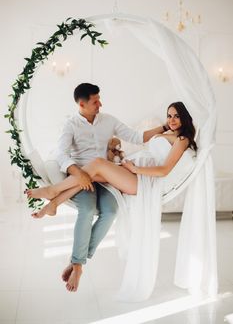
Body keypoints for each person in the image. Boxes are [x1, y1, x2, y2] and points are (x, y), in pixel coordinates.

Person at [27, 97, 197, 292]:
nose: (172, 119)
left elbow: (164, 170)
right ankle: (55, 204)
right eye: (169, 115)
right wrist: (128, 159)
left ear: (184, 118)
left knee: (98, 164)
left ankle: (53, 192)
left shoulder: (182, 140)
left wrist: (135, 169)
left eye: (176, 116)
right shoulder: (168, 133)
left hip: (144, 181)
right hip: (135, 171)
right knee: (94, 172)